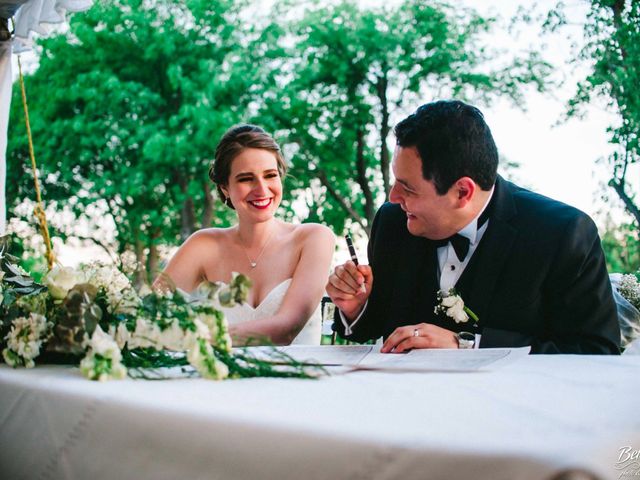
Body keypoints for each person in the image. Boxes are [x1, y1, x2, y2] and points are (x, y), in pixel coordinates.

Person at [327, 100, 621, 354]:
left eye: (408, 188)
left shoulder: (562, 233)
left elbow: (594, 350)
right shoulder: (393, 222)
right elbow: (376, 324)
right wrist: (356, 307)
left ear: (462, 192)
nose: (393, 197)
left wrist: (467, 344)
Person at [156, 124, 335, 345]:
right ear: (224, 188)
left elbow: (286, 329)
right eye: (246, 179)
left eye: (270, 175)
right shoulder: (202, 245)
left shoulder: (314, 238)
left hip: (297, 378)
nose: (261, 189)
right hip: (221, 378)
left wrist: (195, 340)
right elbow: (148, 319)